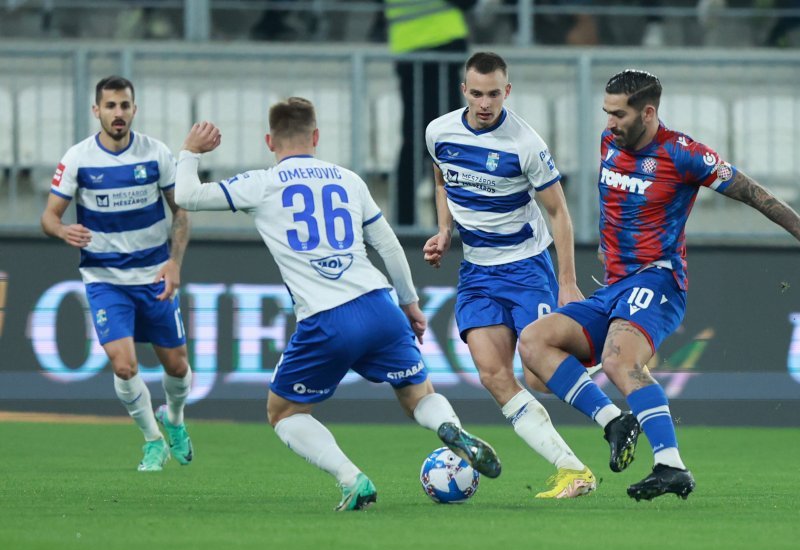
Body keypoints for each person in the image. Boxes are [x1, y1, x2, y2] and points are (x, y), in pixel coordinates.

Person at [174, 97, 501, 511]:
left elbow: (186, 195)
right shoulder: (348, 180)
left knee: (284, 412)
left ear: (269, 141)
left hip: (326, 318)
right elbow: (387, 244)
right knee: (418, 395)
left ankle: (352, 479)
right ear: (315, 136)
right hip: (379, 304)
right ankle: (451, 428)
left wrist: (190, 150)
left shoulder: (261, 183)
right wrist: (410, 303)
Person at [518, 69, 800, 501]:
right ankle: (620, 426)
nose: (609, 122)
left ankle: (667, 461)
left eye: (618, 114)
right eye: (606, 112)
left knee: (618, 360)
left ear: (648, 112)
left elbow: (751, 193)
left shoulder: (683, 154)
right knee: (534, 345)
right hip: (613, 286)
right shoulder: (610, 142)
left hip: (659, 278)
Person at [422, 52, 632, 498]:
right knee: (494, 375)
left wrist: (567, 279)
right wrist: (444, 230)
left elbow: (559, 213)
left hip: (525, 266)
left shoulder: (525, 143)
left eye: (494, 94)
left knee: (537, 376)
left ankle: (599, 379)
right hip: (477, 271)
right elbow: (442, 180)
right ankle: (573, 469)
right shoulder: (438, 132)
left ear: (507, 91)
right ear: (464, 90)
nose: (484, 103)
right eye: (476, 93)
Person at [41, 76, 193, 472]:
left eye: (124, 105)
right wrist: (62, 230)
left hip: (154, 275)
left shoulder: (155, 154)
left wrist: (174, 263)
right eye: (110, 106)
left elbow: (181, 212)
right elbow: (48, 216)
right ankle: (152, 441)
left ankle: (174, 421)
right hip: (105, 279)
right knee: (124, 366)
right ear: (97, 111)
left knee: (177, 366)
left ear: (134, 109)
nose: (118, 113)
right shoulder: (78, 159)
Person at [385, 0, 474, 225]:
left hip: (409, 50)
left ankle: (406, 220)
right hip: (440, 48)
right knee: (446, 141)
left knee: (416, 141)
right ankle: (446, 222)